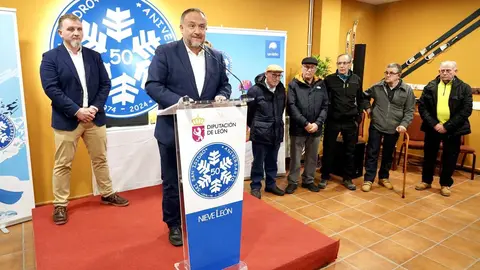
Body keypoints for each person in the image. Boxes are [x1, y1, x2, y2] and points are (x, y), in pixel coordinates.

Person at [145, 8, 231, 246]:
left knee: (201, 178)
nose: (197, 31)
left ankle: (201, 218)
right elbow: (152, 85)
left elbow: (224, 85)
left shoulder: (216, 56)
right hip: (172, 129)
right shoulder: (166, 52)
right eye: (192, 26)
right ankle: (174, 223)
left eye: (202, 27)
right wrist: (178, 102)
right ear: (181, 28)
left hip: (204, 131)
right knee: (172, 180)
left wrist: (223, 96)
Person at [39, 14, 129, 226]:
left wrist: (94, 108)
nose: (76, 33)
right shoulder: (50, 57)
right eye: (71, 29)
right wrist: (77, 111)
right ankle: (60, 204)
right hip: (67, 120)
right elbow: (51, 88)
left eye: (79, 29)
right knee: (63, 164)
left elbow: (105, 84)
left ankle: (107, 194)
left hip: (95, 118)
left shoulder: (94, 56)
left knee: (100, 160)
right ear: (61, 32)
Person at [416, 61, 473, 197]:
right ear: (439, 71)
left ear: (455, 71)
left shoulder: (464, 88)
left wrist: (446, 126)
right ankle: (426, 181)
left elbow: (466, 110)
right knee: (429, 156)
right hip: (432, 128)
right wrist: (435, 124)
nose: (445, 73)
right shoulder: (430, 86)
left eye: (448, 70)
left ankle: (445, 184)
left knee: (450, 157)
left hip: (453, 130)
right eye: (442, 70)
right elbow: (422, 107)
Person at [361, 63, 415, 192]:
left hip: (394, 127)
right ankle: (368, 179)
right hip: (377, 124)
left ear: (399, 75)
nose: (387, 75)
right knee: (372, 152)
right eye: (386, 72)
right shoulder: (377, 86)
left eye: (391, 73)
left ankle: (384, 177)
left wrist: (404, 124)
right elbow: (364, 96)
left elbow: (409, 111)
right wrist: (368, 109)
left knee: (388, 154)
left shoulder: (407, 90)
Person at [320, 54, 368, 190]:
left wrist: (358, 116)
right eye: (339, 63)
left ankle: (347, 178)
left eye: (344, 63)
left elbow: (360, 99)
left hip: (350, 121)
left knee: (350, 151)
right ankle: (324, 176)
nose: (341, 66)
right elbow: (324, 100)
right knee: (329, 149)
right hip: (333, 121)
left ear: (350, 64)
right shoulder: (329, 80)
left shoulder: (356, 79)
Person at [285, 57, 328, 194]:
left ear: (315, 69)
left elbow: (325, 106)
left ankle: (308, 180)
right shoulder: (294, 84)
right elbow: (291, 106)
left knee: (312, 157)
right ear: (302, 67)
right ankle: (293, 181)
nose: (309, 70)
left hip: (315, 128)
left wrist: (317, 123)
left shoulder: (321, 84)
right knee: (296, 158)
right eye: (306, 67)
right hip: (298, 128)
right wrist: (305, 123)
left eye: (312, 67)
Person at [246, 64, 286, 199]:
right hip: (260, 133)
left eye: (279, 75)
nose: (276, 78)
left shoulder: (281, 89)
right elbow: (248, 113)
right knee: (258, 162)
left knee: (272, 160)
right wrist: (257, 126)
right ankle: (256, 186)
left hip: (276, 131)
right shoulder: (254, 90)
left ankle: (271, 184)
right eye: (274, 75)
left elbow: (281, 109)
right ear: (266, 74)